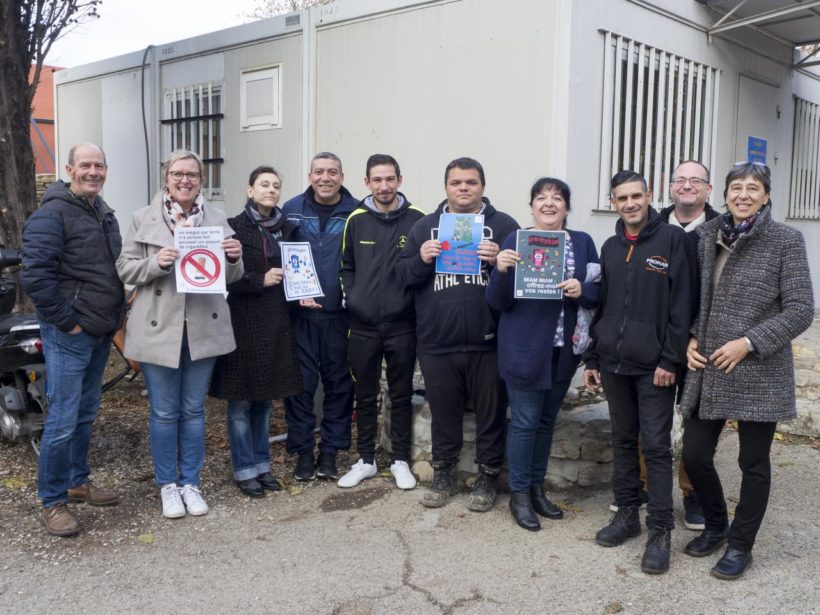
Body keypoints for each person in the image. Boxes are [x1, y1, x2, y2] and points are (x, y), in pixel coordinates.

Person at [680, 162, 813, 580]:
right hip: (709, 368)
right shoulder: (706, 236)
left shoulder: (786, 240)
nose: (743, 194)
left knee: (752, 463)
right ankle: (717, 524)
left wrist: (749, 342)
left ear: (766, 195)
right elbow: (689, 297)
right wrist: (688, 337)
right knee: (696, 455)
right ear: (724, 194)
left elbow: (800, 309)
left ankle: (741, 545)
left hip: (759, 369)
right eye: (736, 187)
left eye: (752, 188)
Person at [117, 150, 243, 519]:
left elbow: (232, 276)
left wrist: (234, 258)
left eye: (192, 174)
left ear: (201, 180)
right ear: (166, 178)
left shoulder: (218, 219)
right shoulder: (143, 218)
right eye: (178, 173)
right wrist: (157, 262)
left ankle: (191, 482)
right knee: (163, 412)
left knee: (193, 410)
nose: (185, 180)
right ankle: (167, 486)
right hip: (159, 328)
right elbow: (125, 268)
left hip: (203, 325)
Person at [583, 170, 693, 574]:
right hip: (613, 362)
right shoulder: (610, 247)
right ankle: (627, 515)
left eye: (635, 195)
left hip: (654, 367)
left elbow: (682, 307)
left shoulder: (672, 241)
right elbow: (604, 306)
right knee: (623, 440)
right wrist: (592, 358)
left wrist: (670, 360)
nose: (629, 203)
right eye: (621, 198)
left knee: (658, 447)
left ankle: (660, 530)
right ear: (613, 202)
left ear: (649, 196)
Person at [396, 157, 518, 512]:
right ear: (446, 187)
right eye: (456, 182)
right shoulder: (425, 226)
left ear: (482, 186)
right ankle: (444, 474)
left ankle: (488, 477)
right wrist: (420, 258)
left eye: (471, 182)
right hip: (437, 340)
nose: (463, 188)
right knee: (443, 414)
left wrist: (500, 260)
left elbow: (525, 278)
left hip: (490, 340)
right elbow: (402, 274)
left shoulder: (505, 225)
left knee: (491, 414)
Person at [21, 143, 125, 537]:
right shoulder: (52, 214)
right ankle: (52, 501)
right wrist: (69, 323)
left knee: (84, 412)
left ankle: (77, 481)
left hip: (100, 330)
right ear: (69, 169)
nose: (93, 171)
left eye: (99, 165)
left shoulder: (103, 212)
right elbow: (36, 278)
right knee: (63, 419)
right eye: (86, 165)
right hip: (71, 333)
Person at [486, 177, 600, 531]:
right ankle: (519, 495)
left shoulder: (582, 243)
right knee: (524, 422)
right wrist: (502, 270)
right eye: (541, 198)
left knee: (547, 421)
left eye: (557, 198)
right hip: (523, 348)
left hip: (563, 349)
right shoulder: (515, 241)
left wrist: (582, 289)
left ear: (567, 207)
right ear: (532, 205)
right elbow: (497, 302)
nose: (549, 203)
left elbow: (599, 296)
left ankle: (536, 489)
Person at [616, 160, 720, 528]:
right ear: (666, 188)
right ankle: (643, 486)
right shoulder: (652, 226)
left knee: (693, 421)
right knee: (651, 423)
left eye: (696, 180)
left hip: (702, 343)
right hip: (656, 344)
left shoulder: (722, 231)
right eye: (680, 180)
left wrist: (697, 336)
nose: (687, 186)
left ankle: (693, 494)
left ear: (709, 189)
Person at [209, 166, 302, 498]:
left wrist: (304, 289)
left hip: (277, 321)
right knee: (241, 403)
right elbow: (220, 276)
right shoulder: (233, 227)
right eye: (264, 184)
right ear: (250, 190)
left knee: (265, 400)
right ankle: (244, 469)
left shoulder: (289, 229)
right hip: (243, 321)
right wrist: (258, 281)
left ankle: (263, 466)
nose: (271, 190)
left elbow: (299, 269)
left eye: (276, 185)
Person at [336, 154, 425, 490]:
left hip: (404, 324)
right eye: (377, 180)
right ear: (367, 182)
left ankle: (400, 460)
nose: (384, 186)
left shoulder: (417, 220)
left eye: (390, 179)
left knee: (401, 394)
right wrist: (353, 297)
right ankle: (366, 461)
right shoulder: (355, 220)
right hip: (363, 325)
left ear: (399, 180)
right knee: (365, 393)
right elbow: (346, 266)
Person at [283, 152, 358, 481]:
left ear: (342, 176)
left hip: (341, 317)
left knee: (339, 387)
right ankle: (302, 453)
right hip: (300, 316)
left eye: (332, 172)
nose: (325, 177)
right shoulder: (291, 210)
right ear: (310, 175)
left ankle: (330, 452)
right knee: (300, 387)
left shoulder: (357, 212)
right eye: (318, 172)